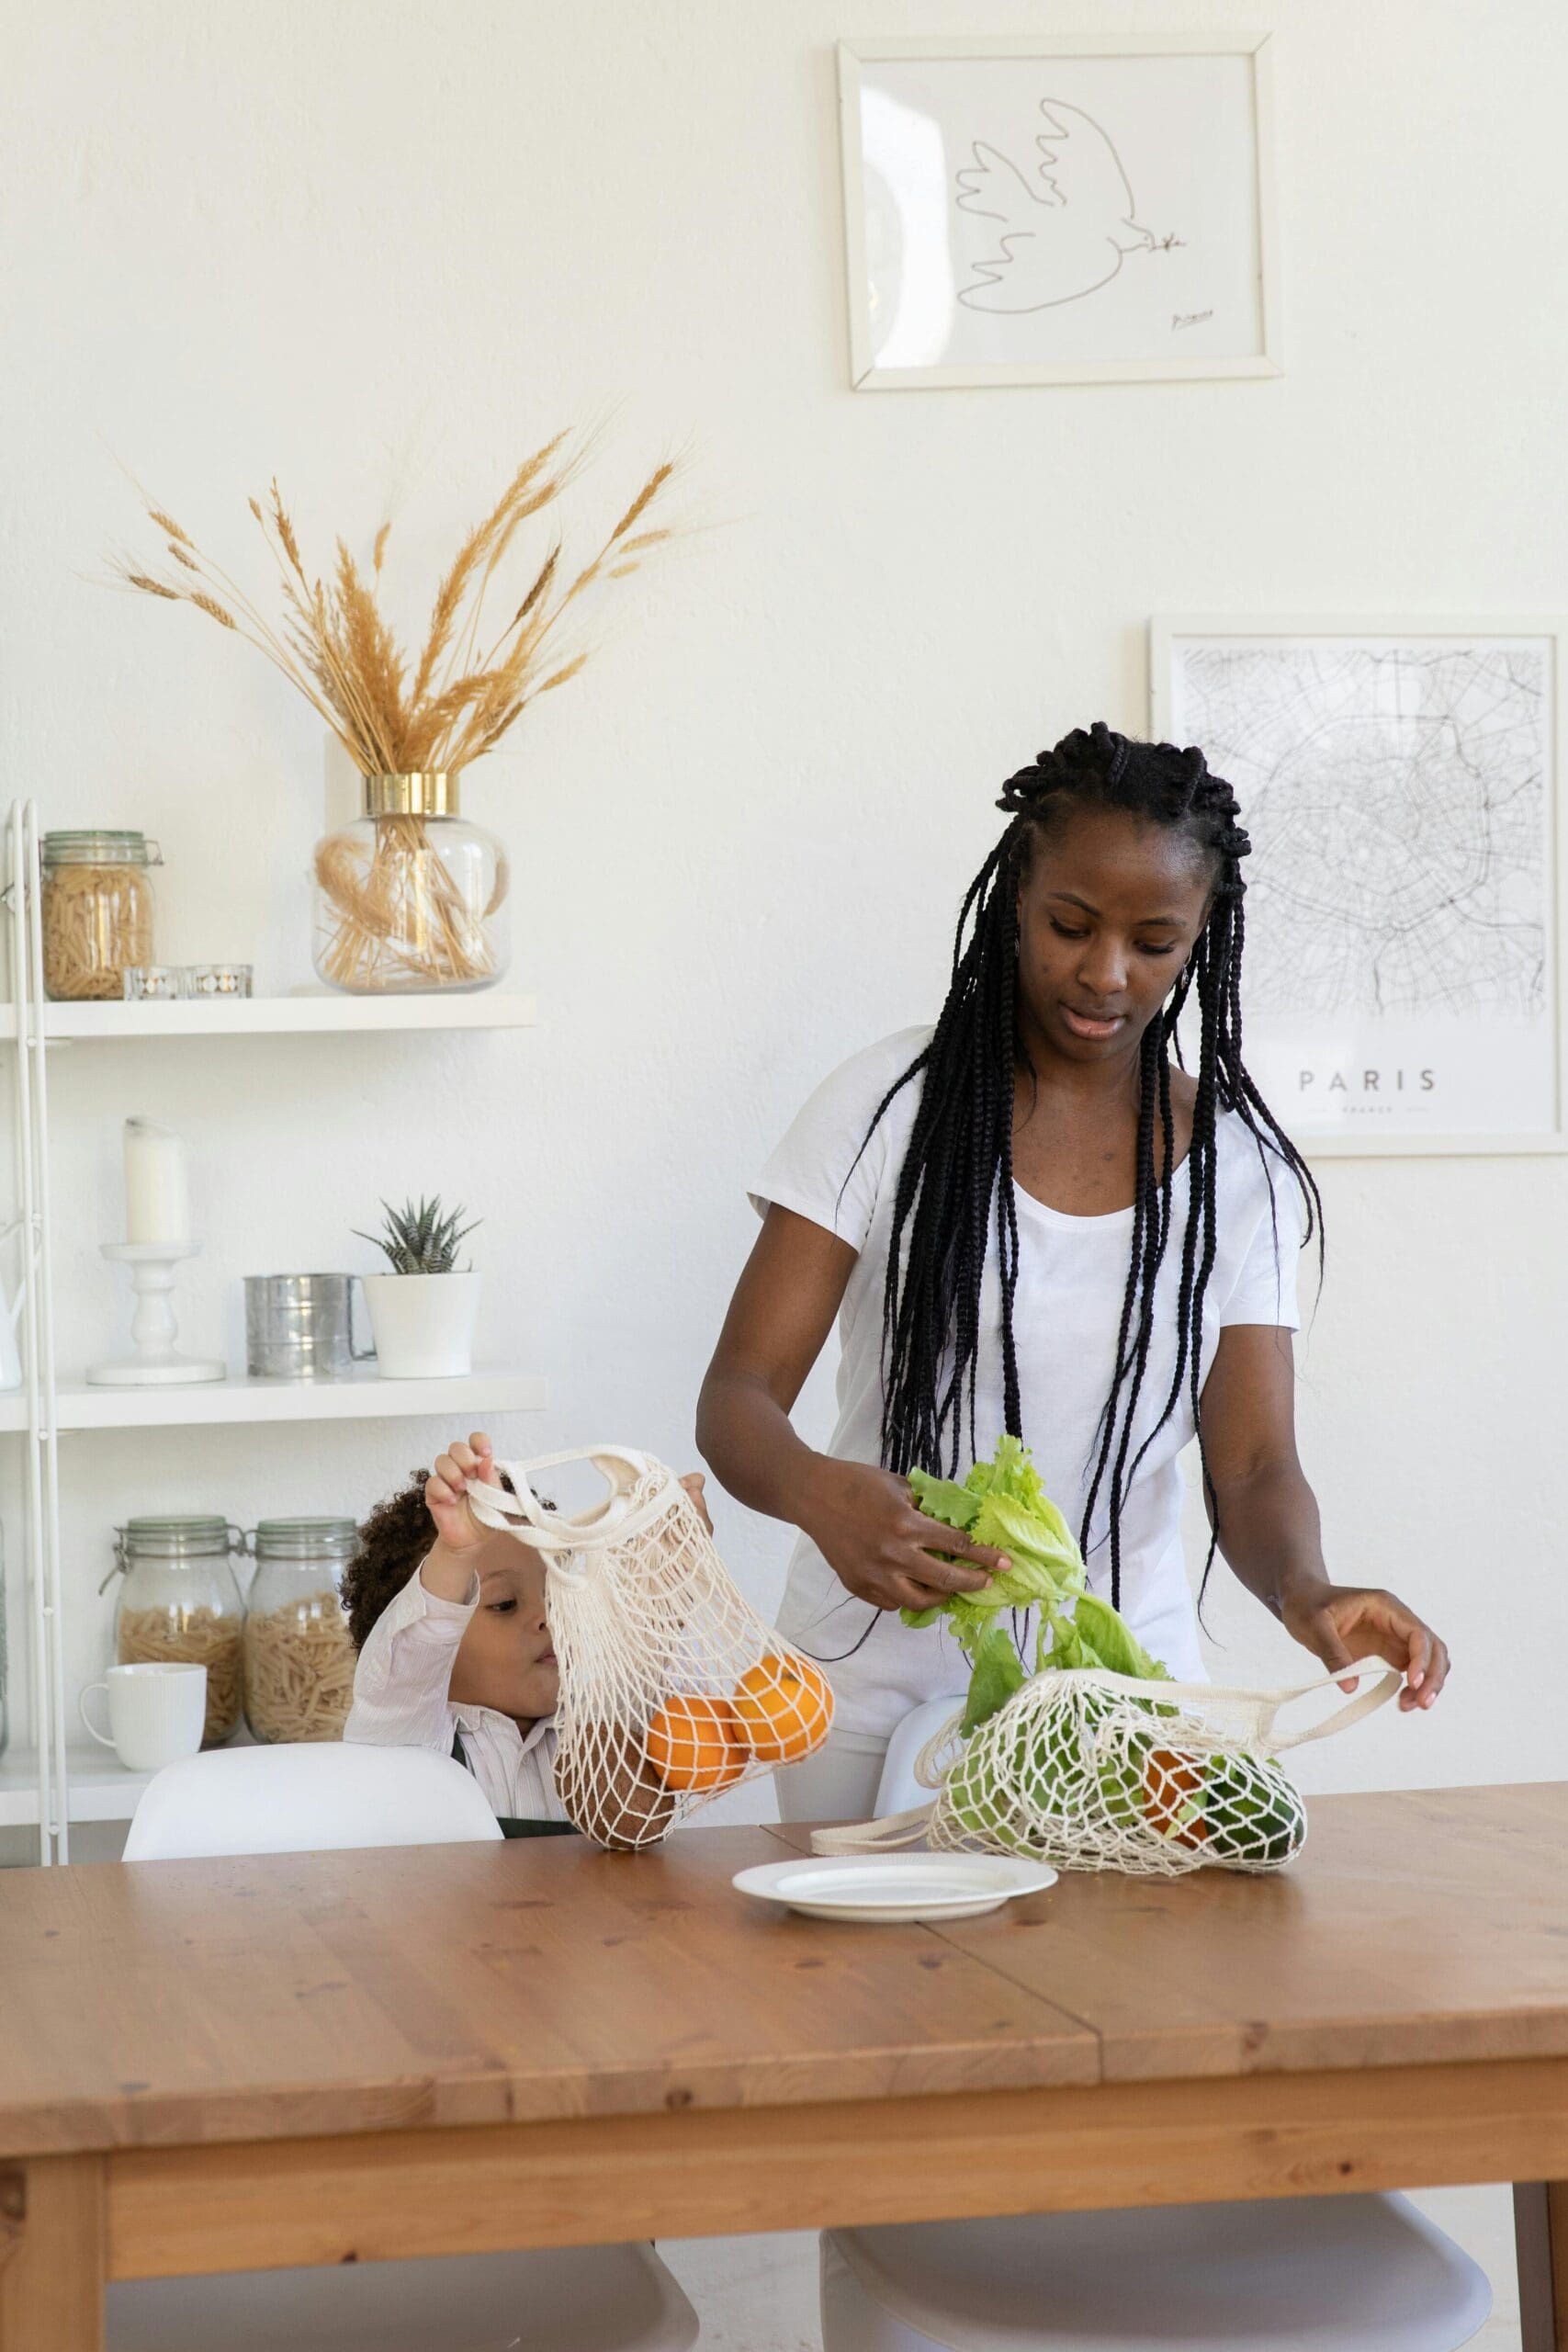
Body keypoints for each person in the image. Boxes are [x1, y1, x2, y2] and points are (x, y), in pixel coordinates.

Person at [698, 723, 1450, 1824]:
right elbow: (737, 1398)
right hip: (861, 1691)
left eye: (1154, 941)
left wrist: (1311, 1591)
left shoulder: (1237, 1170)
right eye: (1070, 925)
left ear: (1200, 941)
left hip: (1125, 1695)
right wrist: (822, 1496)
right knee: (868, 1999)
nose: (1106, 972)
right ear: (1016, 900)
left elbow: (1250, 1471)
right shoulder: (884, 1109)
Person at [342, 1430, 710, 1838]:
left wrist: (668, 1568)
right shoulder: (408, 1732)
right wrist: (456, 1554)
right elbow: (413, 1652)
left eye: (555, 1597)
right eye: (504, 1604)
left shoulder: (594, 1730)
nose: (546, 1619)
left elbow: (639, 1660)